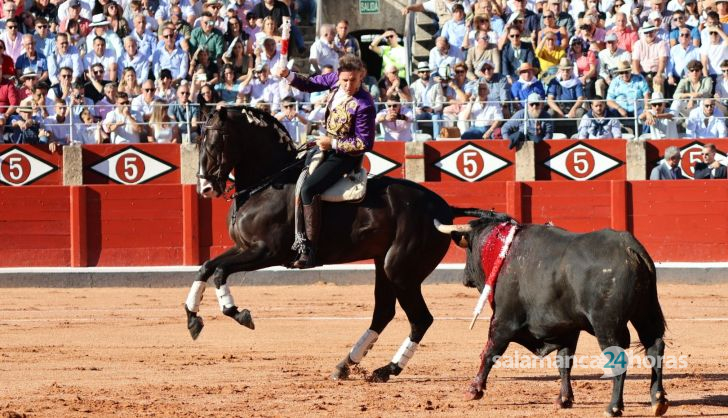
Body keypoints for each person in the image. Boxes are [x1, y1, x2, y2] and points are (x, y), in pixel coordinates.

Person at [273, 54, 375, 269]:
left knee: (309, 189)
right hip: (325, 146)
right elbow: (309, 84)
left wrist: (334, 144)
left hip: (345, 157)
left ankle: (310, 251)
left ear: (361, 76)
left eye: (353, 80)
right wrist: (288, 75)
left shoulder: (364, 104)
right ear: (339, 76)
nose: (348, 85)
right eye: (345, 80)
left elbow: (364, 143)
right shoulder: (334, 80)